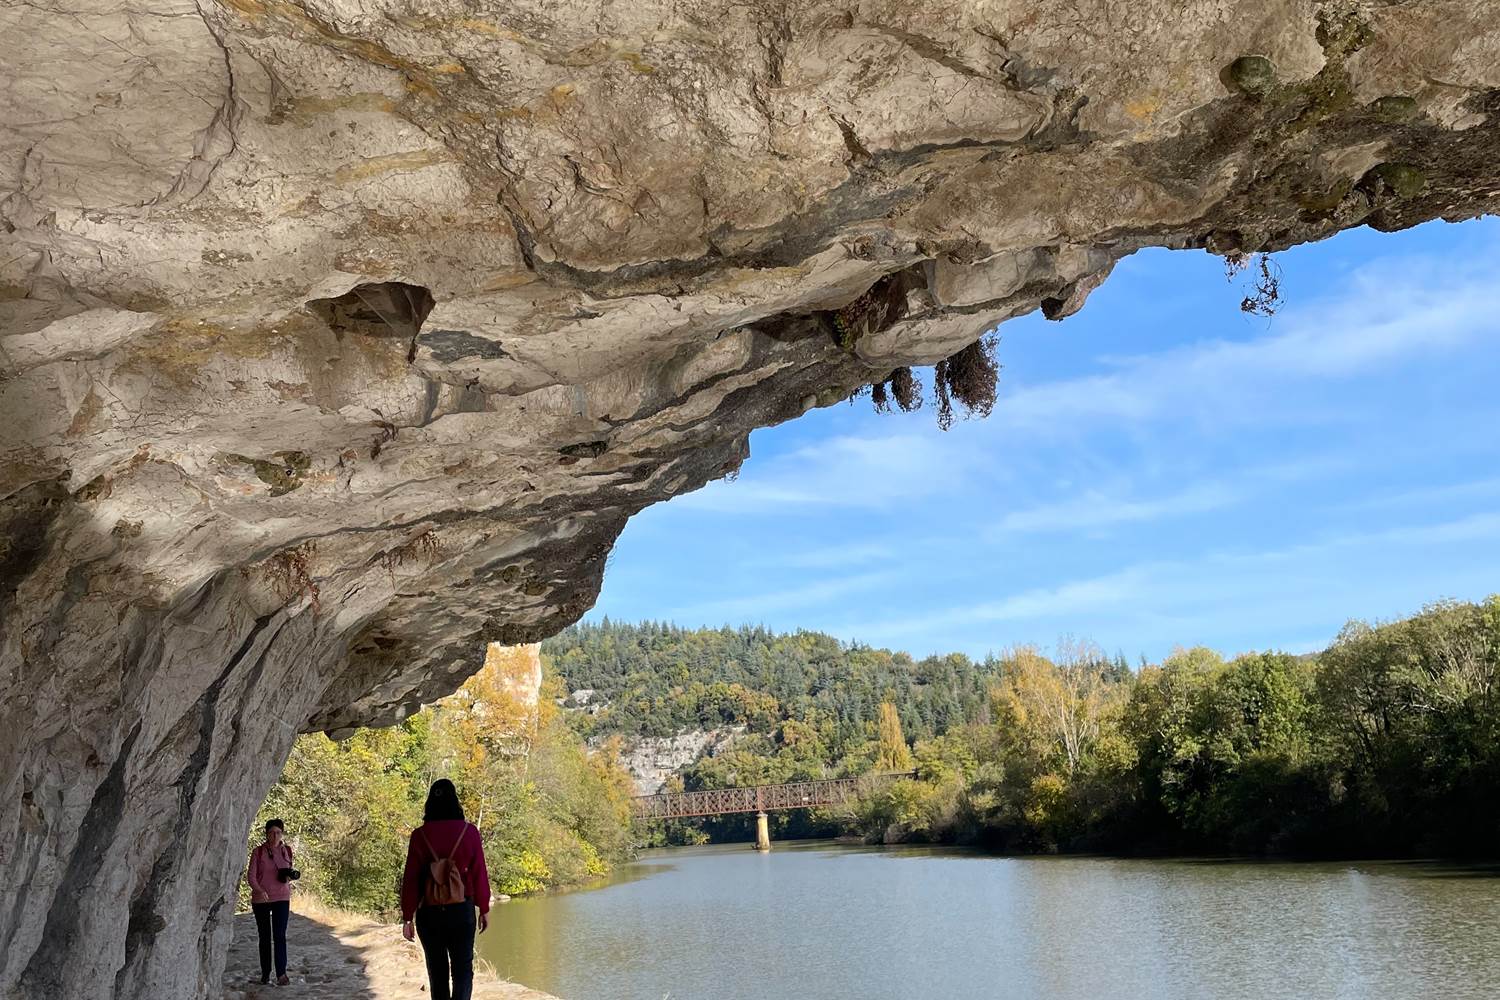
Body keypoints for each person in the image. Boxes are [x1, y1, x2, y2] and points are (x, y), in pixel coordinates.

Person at [400, 779, 491, 1000]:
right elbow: (479, 872)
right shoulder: (469, 832)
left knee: (437, 972)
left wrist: (408, 916)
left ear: (429, 804)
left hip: (429, 912)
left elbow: (411, 879)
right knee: (463, 970)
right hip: (461, 910)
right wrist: (484, 908)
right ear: (455, 802)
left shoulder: (419, 836)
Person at [246, 818, 294, 986]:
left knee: (280, 936)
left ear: (282, 834)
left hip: (282, 897)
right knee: (265, 937)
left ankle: (281, 974)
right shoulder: (258, 852)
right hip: (262, 899)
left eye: (278, 832)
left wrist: (288, 876)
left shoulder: (287, 851)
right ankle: (265, 974)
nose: (275, 836)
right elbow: (251, 876)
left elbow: (289, 872)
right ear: (266, 834)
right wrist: (260, 890)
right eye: (272, 832)